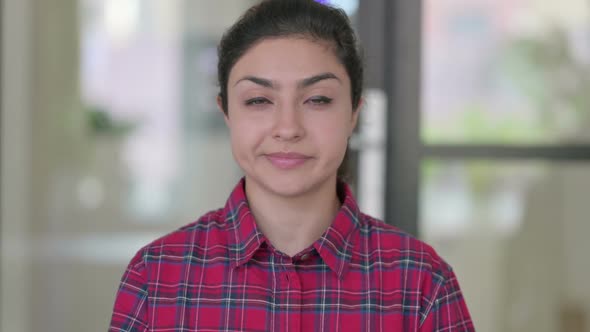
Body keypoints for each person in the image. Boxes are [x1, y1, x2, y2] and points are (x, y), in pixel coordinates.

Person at [109, 0, 475, 331]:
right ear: (226, 113)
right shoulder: (156, 278)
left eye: (317, 99)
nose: (287, 128)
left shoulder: (423, 284)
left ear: (353, 114)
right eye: (257, 101)